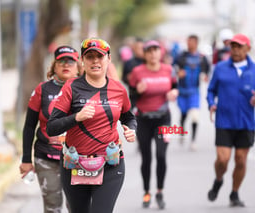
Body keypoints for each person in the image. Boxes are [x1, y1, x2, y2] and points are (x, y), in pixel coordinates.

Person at [46, 37, 137, 213]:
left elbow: (129, 117)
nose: (95, 61)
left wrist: (131, 129)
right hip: (75, 164)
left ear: (108, 59)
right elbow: (52, 127)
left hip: (110, 164)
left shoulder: (119, 90)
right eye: (90, 57)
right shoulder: (71, 87)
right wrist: (76, 117)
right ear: (82, 60)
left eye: (100, 56)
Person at [19, 45, 82, 213]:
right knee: (52, 207)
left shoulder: (85, 89)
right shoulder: (43, 90)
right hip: (46, 157)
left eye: (70, 61)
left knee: (77, 207)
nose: (66, 65)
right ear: (54, 66)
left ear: (78, 66)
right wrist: (26, 159)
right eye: (61, 61)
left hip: (78, 159)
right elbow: (29, 126)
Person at [207, 34, 255, 207]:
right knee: (223, 159)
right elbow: (211, 90)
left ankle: (234, 193)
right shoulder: (220, 68)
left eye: (239, 46)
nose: (235, 49)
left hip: (246, 122)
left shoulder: (254, 69)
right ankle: (219, 179)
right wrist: (211, 103)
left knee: (241, 160)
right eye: (233, 46)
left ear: (247, 48)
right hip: (224, 121)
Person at [128, 40, 178, 209]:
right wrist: (137, 91)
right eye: (149, 51)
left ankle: (160, 191)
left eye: (155, 50)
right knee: (147, 158)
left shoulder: (169, 69)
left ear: (160, 52)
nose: (152, 54)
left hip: (164, 118)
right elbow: (130, 98)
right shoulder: (137, 72)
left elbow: (175, 86)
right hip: (143, 119)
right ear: (145, 54)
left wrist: (174, 92)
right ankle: (147, 192)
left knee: (162, 155)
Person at [173, 34, 210, 150]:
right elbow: (172, 68)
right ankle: (182, 132)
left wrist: (205, 76)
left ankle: (193, 140)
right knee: (183, 114)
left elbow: (207, 70)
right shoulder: (181, 56)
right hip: (182, 91)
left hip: (194, 91)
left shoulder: (202, 57)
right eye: (188, 42)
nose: (190, 44)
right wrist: (177, 73)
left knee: (195, 116)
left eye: (192, 42)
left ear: (196, 43)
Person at [122, 37, 145, 110]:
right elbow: (123, 78)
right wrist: (129, 78)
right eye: (138, 48)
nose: (140, 50)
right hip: (134, 96)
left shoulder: (148, 63)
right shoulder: (128, 63)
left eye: (142, 48)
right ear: (134, 48)